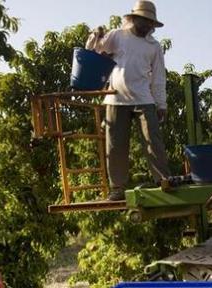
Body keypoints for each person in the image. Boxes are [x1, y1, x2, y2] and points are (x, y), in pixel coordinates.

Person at [86, 0, 170, 201]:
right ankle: (117, 188)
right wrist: (95, 35)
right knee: (115, 145)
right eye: (145, 21)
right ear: (135, 19)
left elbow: (158, 77)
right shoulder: (118, 36)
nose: (148, 25)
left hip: (144, 98)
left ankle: (163, 180)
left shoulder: (154, 46)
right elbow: (93, 51)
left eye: (151, 23)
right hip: (116, 98)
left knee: (153, 140)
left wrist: (161, 104)